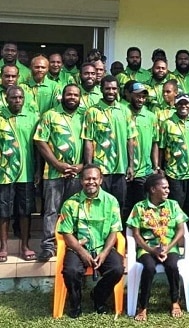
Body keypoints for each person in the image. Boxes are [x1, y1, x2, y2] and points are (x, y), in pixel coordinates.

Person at [58, 164, 124, 318]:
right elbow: (66, 233)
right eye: (87, 178)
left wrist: (105, 252)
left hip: (103, 246)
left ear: (100, 180)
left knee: (117, 269)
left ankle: (98, 297)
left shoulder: (111, 201)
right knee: (71, 271)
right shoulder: (70, 203)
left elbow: (115, 230)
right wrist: (82, 252)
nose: (91, 182)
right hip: (78, 247)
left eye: (95, 178)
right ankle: (75, 303)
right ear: (81, 181)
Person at [127, 174, 188, 320]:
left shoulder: (173, 205)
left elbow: (181, 230)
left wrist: (168, 247)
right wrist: (151, 250)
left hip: (170, 247)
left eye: (168, 187)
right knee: (148, 267)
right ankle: (143, 306)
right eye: (164, 187)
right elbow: (136, 234)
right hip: (147, 248)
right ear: (153, 189)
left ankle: (175, 301)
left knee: (172, 266)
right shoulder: (139, 207)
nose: (168, 190)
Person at [34, 84, 84, 262]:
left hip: (77, 175)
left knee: (75, 210)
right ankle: (48, 246)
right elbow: (41, 141)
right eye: (69, 94)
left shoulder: (84, 116)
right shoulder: (50, 115)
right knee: (51, 210)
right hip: (54, 174)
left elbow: (91, 142)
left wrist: (82, 166)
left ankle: (75, 245)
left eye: (75, 95)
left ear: (80, 98)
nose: (72, 97)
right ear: (62, 96)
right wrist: (56, 164)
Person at [159, 93, 189, 249]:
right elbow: (161, 147)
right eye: (180, 104)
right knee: (177, 206)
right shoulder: (167, 124)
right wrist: (160, 168)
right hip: (174, 172)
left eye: (186, 104)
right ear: (175, 105)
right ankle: (175, 238)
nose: (183, 106)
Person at [82, 75, 137, 211]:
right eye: (107, 88)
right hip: (101, 169)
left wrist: (130, 165)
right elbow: (88, 140)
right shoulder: (92, 112)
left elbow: (131, 139)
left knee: (120, 205)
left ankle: (117, 233)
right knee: (99, 205)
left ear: (118, 90)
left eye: (114, 88)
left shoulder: (125, 111)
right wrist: (89, 166)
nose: (111, 91)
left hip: (120, 168)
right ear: (101, 89)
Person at [0, 86, 39, 263]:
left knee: (25, 212)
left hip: (27, 173)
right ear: (6, 99)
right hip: (4, 174)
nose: (17, 101)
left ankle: (25, 245)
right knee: (3, 211)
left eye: (20, 98)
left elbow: (38, 146)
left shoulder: (32, 118)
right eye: (13, 98)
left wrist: (38, 169)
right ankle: (4, 247)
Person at [124, 82, 160, 219]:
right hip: (125, 169)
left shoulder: (151, 116)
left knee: (143, 208)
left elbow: (155, 142)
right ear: (129, 95)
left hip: (145, 170)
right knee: (125, 205)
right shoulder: (123, 112)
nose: (140, 99)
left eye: (143, 97)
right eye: (137, 96)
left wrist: (156, 166)